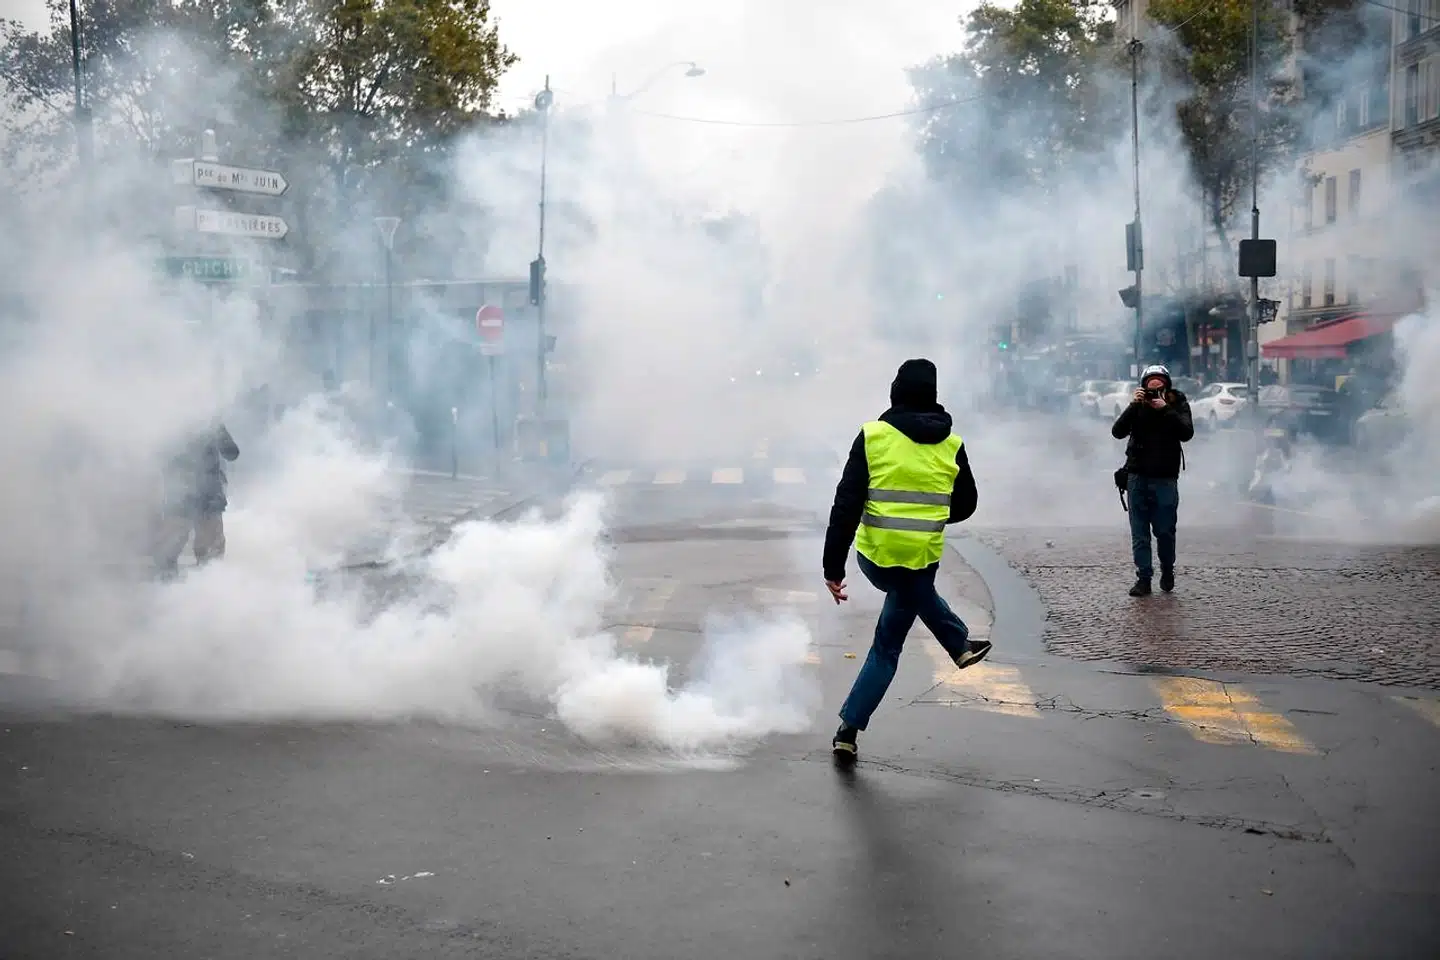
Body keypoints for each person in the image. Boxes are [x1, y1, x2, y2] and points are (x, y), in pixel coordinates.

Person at [822, 358, 991, 762]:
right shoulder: (952, 443)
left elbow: (846, 504)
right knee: (890, 639)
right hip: (922, 557)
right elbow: (966, 504)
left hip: (876, 556)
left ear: (895, 392)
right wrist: (931, 514)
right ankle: (958, 642)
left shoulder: (873, 436)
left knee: (890, 636)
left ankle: (847, 732)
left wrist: (833, 567)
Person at [1111, 363, 1193, 597]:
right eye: (1150, 388)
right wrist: (1133, 405)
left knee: (1165, 531)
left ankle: (1167, 569)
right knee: (1139, 533)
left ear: (1167, 387)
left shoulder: (1177, 404)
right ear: (1143, 388)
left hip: (1165, 479)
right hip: (1137, 477)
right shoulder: (1137, 406)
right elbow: (1117, 431)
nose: (1154, 393)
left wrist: (1165, 409)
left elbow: (1187, 433)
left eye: (1159, 387)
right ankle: (1143, 578)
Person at [154, 420, 240, 577]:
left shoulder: (208, 420)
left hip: (204, 496)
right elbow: (231, 452)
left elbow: (231, 452)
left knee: (207, 553)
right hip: (185, 495)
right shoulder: (180, 420)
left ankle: (203, 589)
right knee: (170, 549)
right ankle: (168, 586)